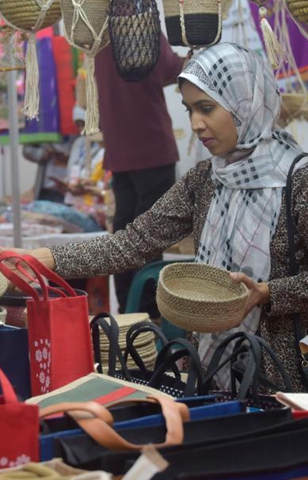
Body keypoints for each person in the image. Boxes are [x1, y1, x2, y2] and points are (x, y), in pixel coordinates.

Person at [0, 43, 308, 392]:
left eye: (206, 108)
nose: (197, 123)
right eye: (189, 110)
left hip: (287, 381)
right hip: (214, 370)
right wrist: (45, 259)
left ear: (244, 103)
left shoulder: (303, 179)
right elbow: (133, 244)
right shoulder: (206, 180)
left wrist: (266, 293)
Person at [95, 33, 184, 317]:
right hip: (151, 147)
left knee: (124, 239)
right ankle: (148, 317)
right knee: (148, 240)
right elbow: (173, 70)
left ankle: (128, 313)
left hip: (120, 152)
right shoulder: (143, 29)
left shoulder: (98, 38)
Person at [22, 107, 88, 204]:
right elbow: (27, 150)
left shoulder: (77, 132)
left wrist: (70, 156)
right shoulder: (44, 126)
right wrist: (42, 153)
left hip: (71, 187)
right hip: (46, 185)